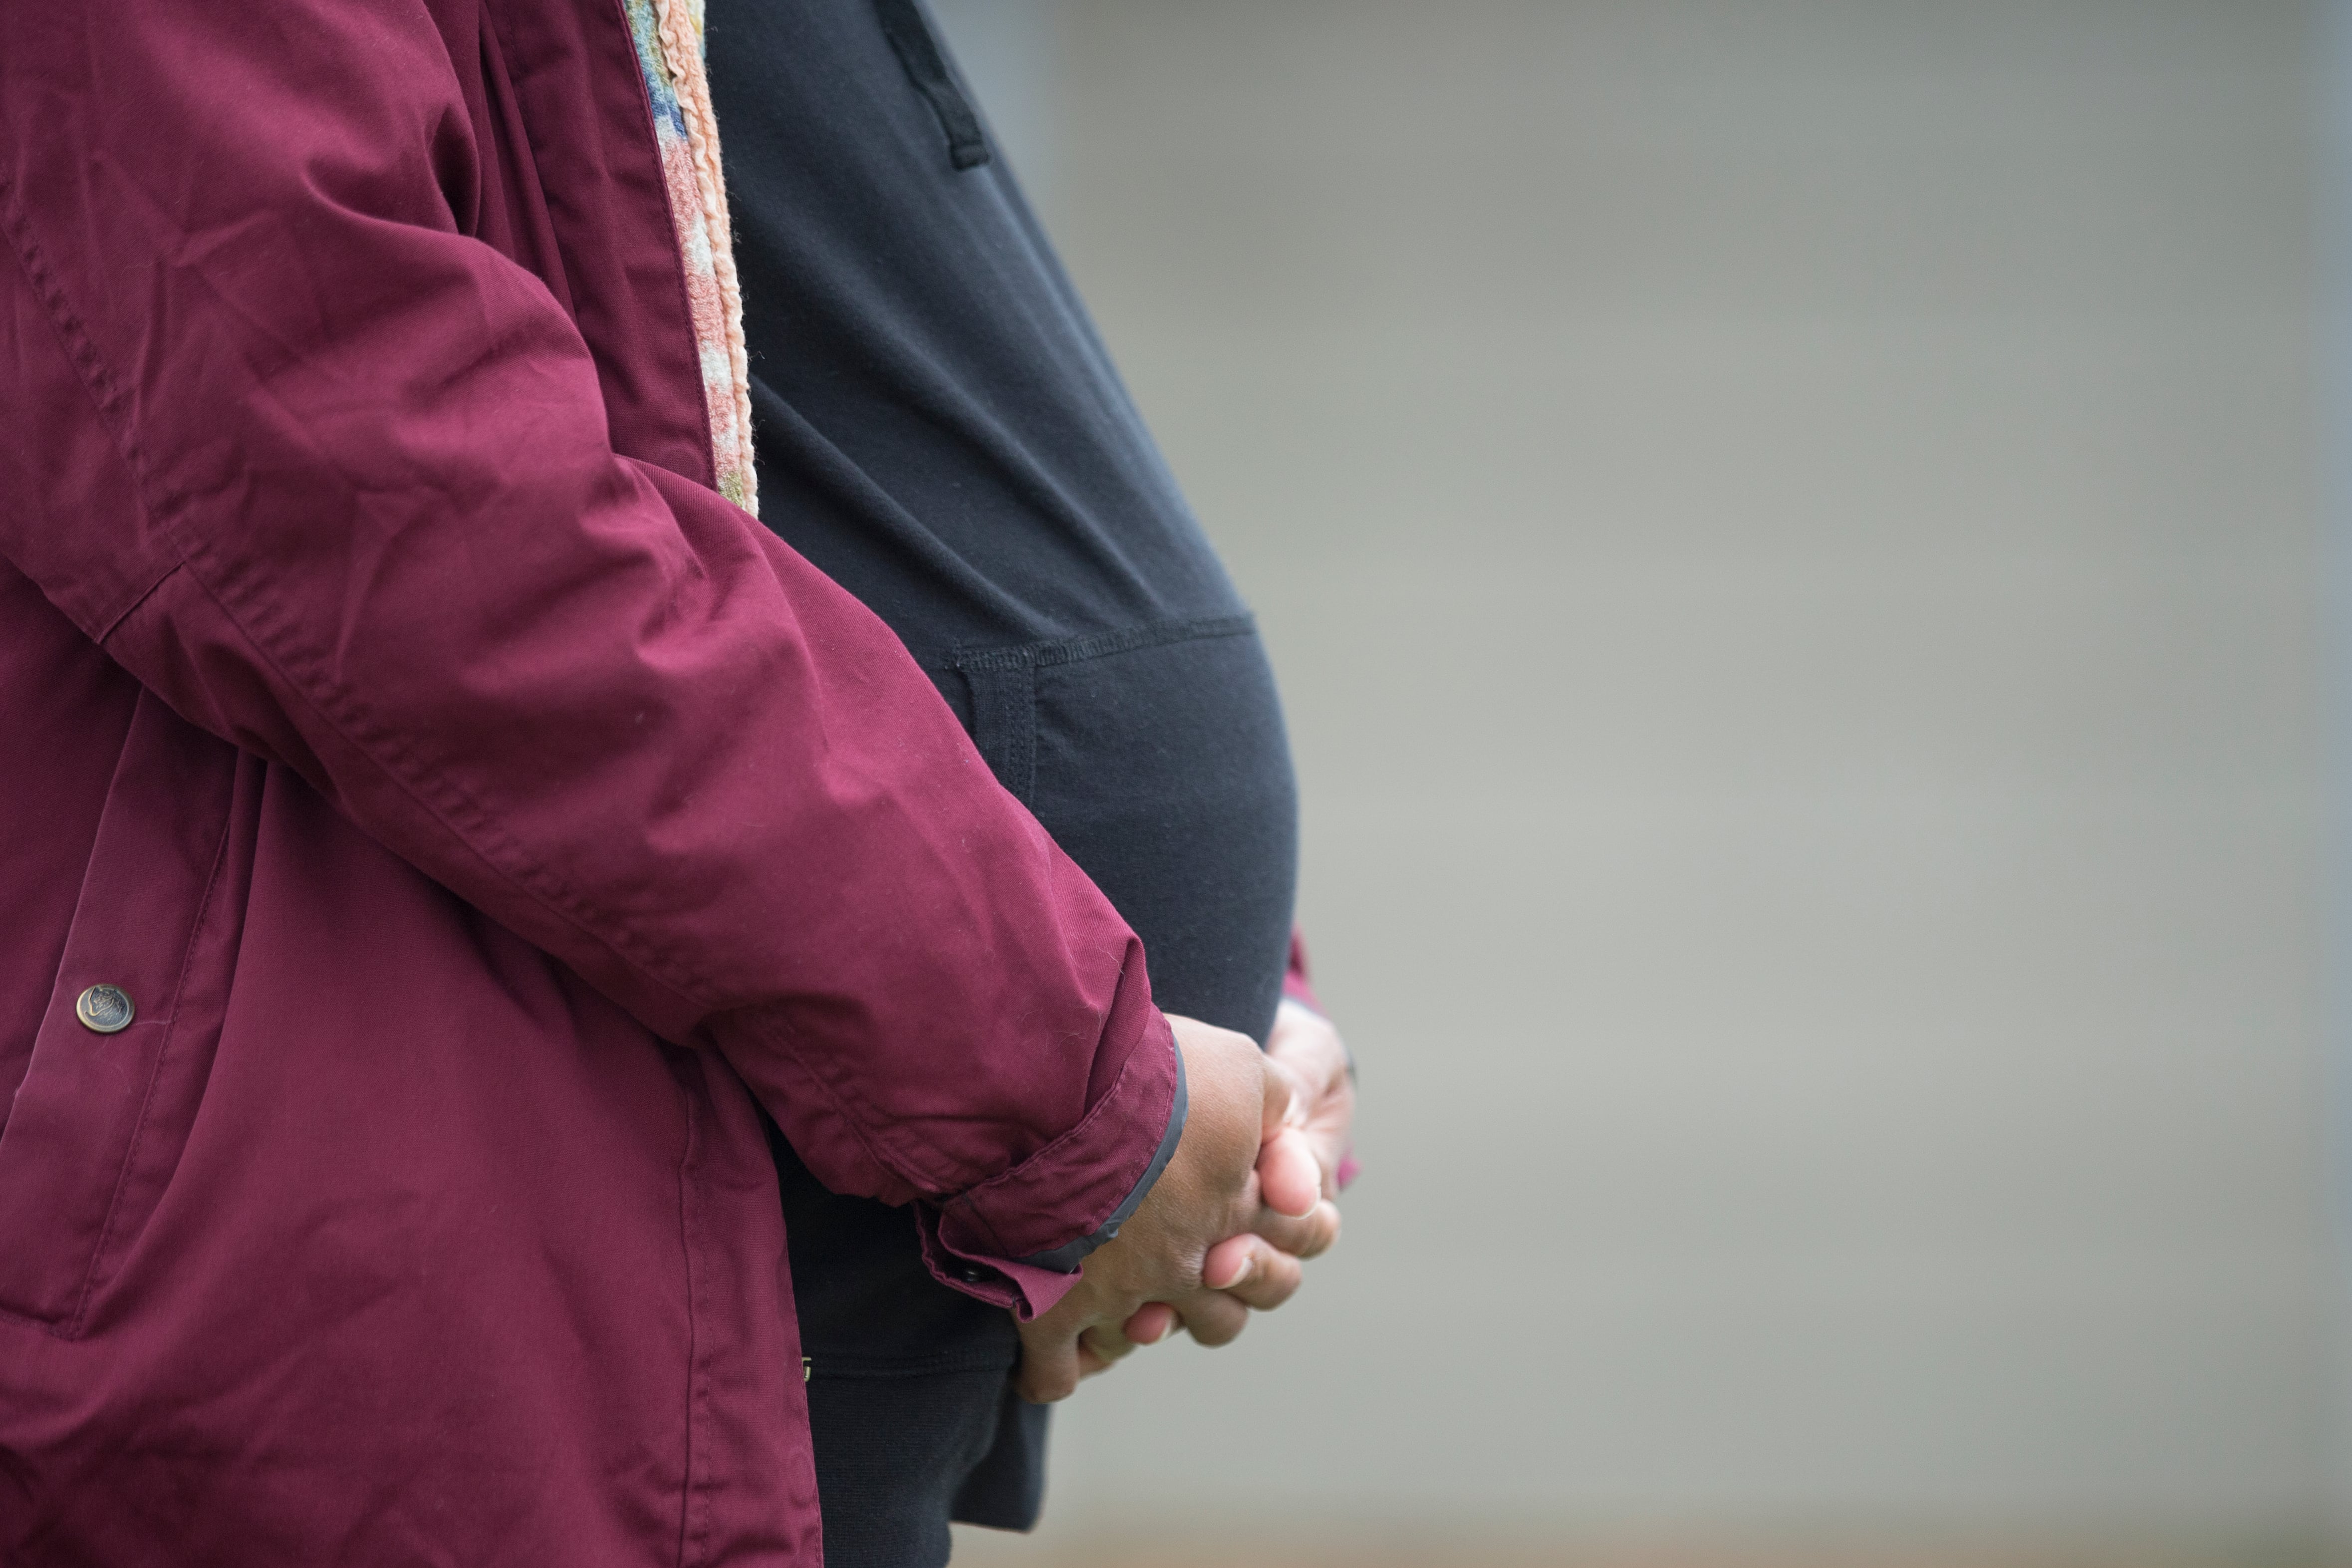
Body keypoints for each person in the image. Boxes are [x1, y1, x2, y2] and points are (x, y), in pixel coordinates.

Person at [0, 1, 1351, 1564]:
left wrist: (1205, 1019)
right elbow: (360, 483)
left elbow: (834, 413)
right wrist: (1076, 1075)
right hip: (472, 1245)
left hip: (839, 1159)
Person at [699, 3, 1354, 1561]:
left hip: (970, 1106)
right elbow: (419, 549)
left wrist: (1235, 1022)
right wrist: (1089, 1093)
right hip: (849, 1120)